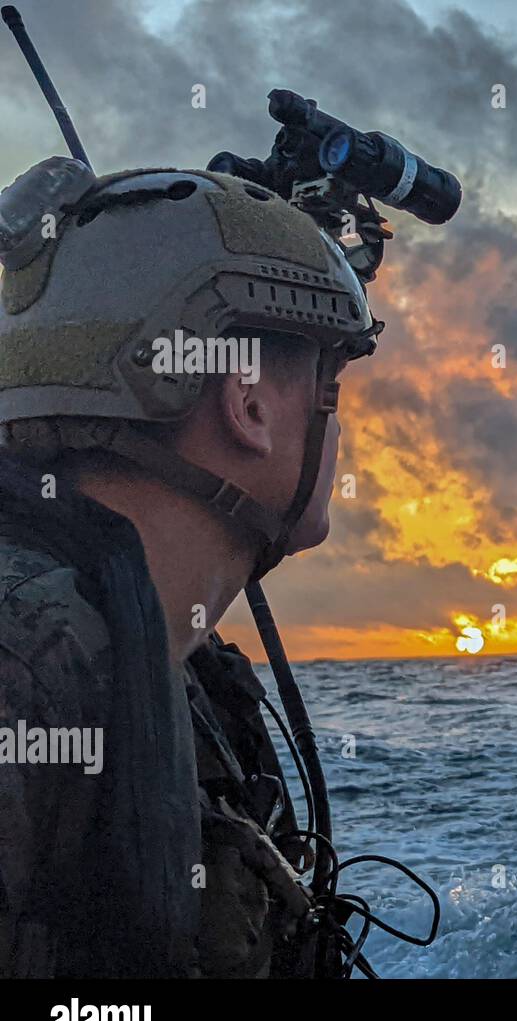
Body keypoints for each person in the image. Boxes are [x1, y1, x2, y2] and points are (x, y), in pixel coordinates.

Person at [0, 160, 379, 977]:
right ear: (248, 406)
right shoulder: (24, 668)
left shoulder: (179, 672)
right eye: (331, 389)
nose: (343, 434)